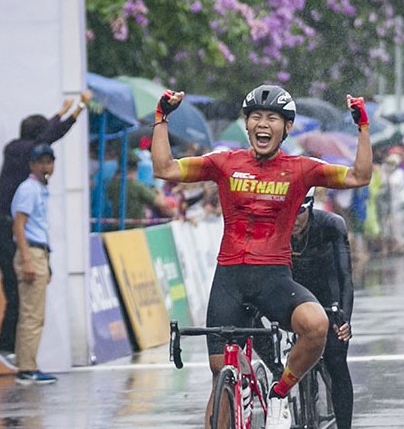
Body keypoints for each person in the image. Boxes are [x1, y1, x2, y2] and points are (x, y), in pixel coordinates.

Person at [152, 85, 371, 429]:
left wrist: (362, 128)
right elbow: (165, 169)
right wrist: (161, 119)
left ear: (286, 128)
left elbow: (360, 176)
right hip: (230, 280)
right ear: (247, 124)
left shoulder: (301, 169)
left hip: (273, 278)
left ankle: (280, 392)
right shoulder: (225, 162)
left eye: (272, 118)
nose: (263, 123)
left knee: (316, 326)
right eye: (256, 117)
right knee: (220, 374)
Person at [0, 91, 91, 371]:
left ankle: (17, 354)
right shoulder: (17, 150)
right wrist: (76, 109)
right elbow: (48, 137)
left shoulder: (22, 154)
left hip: (4, 228)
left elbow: (46, 135)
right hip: (4, 228)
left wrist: (63, 112)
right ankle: (7, 347)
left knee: (20, 291)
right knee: (16, 288)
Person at [288, 188, 355, 429]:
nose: (293, 221)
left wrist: (345, 317)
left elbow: (345, 276)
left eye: (299, 213)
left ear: (310, 208)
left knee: (336, 360)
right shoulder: (277, 227)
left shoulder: (331, 225)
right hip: (294, 297)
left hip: (328, 298)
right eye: (288, 214)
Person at [12, 144, 58, 385]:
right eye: (40, 162)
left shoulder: (39, 189)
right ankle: (27, 367)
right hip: (31, 252)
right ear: (32, 165)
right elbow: (19, 224)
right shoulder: (29, 189)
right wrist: (28, 259)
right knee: (32, 315)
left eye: (49, 162)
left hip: (39, 253)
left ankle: (27, 364)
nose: (46, 167)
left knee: (33, 314)